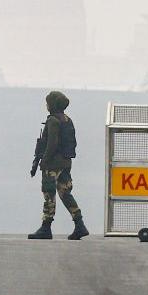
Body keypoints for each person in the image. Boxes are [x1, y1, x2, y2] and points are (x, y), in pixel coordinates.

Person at [28, 90, 88, 240]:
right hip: (66, 163)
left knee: (49, 194)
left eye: (48, 102)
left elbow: (52, 143)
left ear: (52, 104)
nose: (46, 105)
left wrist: (44, 161)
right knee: (65, 193)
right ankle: (79, 225)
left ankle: (46, 227)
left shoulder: (53, 121)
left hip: (53, 164)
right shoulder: (67, 120)